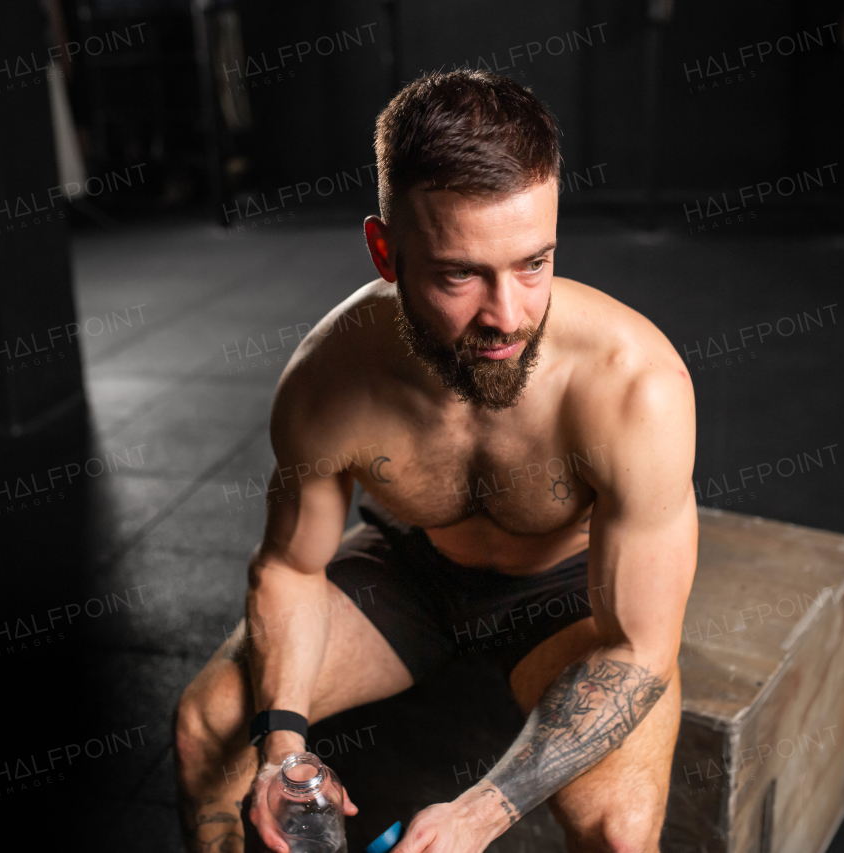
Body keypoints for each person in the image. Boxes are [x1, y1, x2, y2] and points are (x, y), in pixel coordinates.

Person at [174, 68, 697, 853]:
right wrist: (283, 742)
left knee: (621, 832)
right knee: (207, 724)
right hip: (413, 572)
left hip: (563, 597)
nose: (508, 315)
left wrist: (480, 811)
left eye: (533, 262)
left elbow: (640, 644)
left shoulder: (634, 384)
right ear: (386, 251)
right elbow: (289, 567)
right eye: (460, 274)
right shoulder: (328, 381)